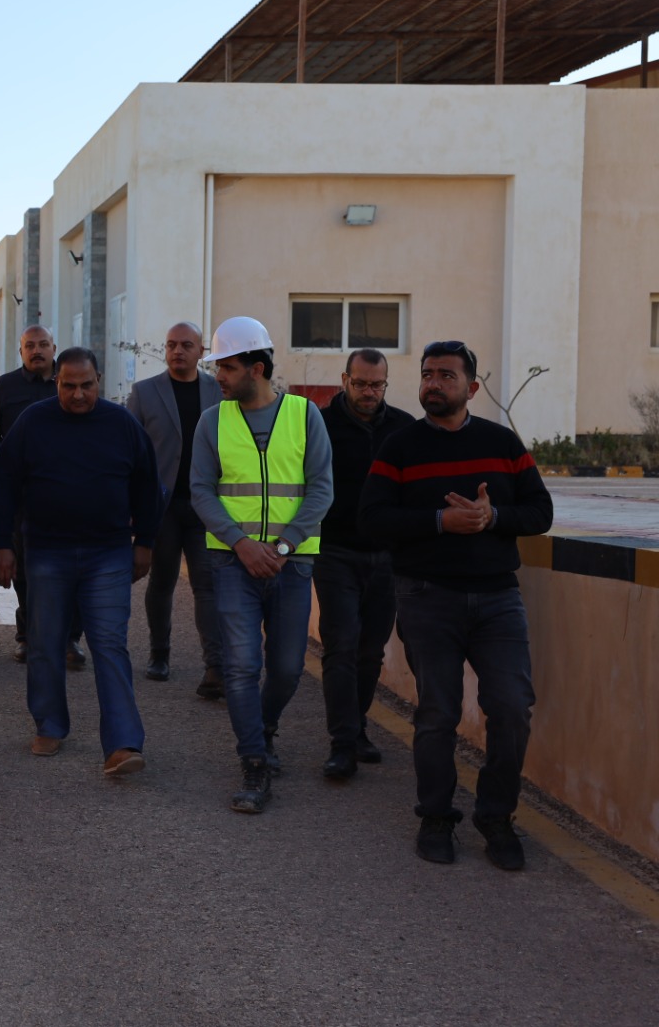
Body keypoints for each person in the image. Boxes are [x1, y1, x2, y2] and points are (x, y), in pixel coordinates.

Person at [359, 340, 553, 870]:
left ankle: (496, 816)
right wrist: (440, 522)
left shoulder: (502, 443)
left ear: (471, 387)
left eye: (446, 375)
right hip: (427, 596)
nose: (433, 383)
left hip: (498, 598)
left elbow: (540, 511)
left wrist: (494, 517)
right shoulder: (400, 446)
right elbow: (371, 520)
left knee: (511, 708)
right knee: (437, 714)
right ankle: (436, 817)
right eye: (427, 374)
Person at [0, 348, 162, 775]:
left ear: (99, 380)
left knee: (110, 645)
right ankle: (49, 724)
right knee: (45, 643)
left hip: (109, 553)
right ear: (57, 383)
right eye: (69, 386)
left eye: (86, 385)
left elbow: (147, 485)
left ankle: (123, 743)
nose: (78, 394)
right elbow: (2, 482)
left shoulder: (122, 424)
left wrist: (145, 542)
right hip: (47, 551)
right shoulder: (33, 422)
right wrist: (2, 544)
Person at [189, 316, 332, 814]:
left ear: (257, 367)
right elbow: (201, 492)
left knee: (288, 668)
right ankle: (253, 760)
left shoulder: (305, 415)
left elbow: (321, 489)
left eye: (227, 367)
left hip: (292, 565)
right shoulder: (212, 421)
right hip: (233, 563)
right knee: (242, 666)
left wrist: (285, 546)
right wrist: (242, 545)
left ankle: (263, 728)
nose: (219, 377)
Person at [315, 348, 415, 779]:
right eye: (360, 384)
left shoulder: (404, 429)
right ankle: (341, 743)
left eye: (377, 384)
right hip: (334, 551)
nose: (369, 392)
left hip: (387, 556)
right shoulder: (320, 424)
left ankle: (356, 730)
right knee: (341, 646)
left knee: (371, 651)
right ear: (345, 380)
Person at [126, 321, 224, 697]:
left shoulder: (218, 392)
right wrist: (133, 507)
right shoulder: (144, 392)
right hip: (162, 506)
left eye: (186, 345)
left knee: (206, 585)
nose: (177, 351)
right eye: (171, 345)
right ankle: (159, 654)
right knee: (162, 581)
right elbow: (131, 453)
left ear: (201, 352)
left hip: (205, 506)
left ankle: (214, 664)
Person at [0, 325, 84, 669]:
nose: (37, 350)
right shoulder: (5, 387)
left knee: (74, 568)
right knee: (25, 570)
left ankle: (70, 639)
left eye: (43, 344)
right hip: (23, 494)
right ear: (21, 351)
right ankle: (28, 636)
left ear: (54, 348)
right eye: (30, 345)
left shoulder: (70, 381)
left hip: (70, 492)